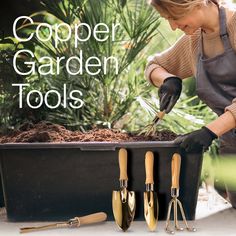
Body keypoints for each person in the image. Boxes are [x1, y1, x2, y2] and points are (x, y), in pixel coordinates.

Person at [145, 0, 236, 208]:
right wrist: (167, 79)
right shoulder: (195, 41)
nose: (173, 26)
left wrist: (209, 132)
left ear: (195, 4)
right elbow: (153, 65)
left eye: (174, 17)